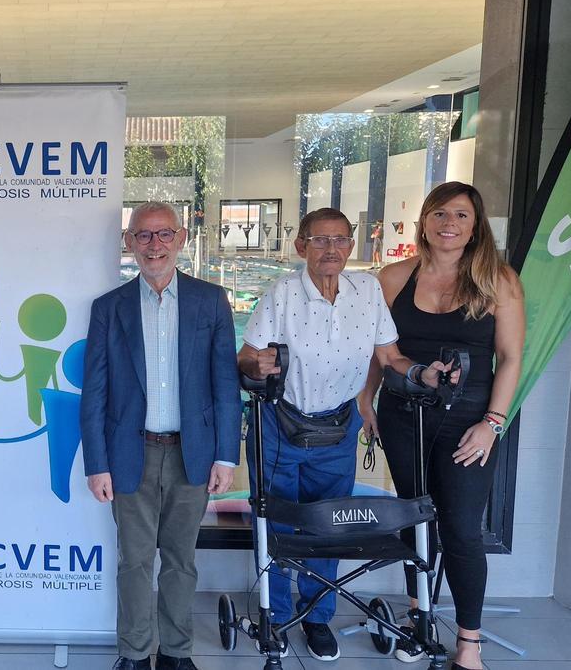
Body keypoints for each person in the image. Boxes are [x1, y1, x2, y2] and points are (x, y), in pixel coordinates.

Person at [238, 207, 452, 662]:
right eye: (319, 240)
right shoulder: (281, 293)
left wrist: (421, 374)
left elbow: (390, 357)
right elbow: (247, 355)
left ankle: (315, 617)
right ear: (301, 246)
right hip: (281, 422)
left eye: (339, 240)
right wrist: (255, 365)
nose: (330, 249)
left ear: (351, 245)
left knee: (329, 527)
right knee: (277, 522)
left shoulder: (368, 290)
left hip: (337, 425)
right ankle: (275, 617)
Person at [361, 182, 524, 670]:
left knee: (460, 527)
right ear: (424, 220)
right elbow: (380, 349)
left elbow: (511, 358)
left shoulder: (499, 280)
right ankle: (419, 619)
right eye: (439, 213)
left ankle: (468, 643)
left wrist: (492, 424)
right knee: (414, 518)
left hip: (470, 422)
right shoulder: (393, 277)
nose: (448, 223)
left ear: (475, 227)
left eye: (460, 215)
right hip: (403, 414)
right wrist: (366, 401)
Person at [81, 201, 240, 670]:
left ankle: (175, 652)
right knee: (133, 562)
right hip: (131, 453)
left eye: (164, 234)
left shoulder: (210, 301)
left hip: (193, 453)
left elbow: (225, 385)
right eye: (144, 236)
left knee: (180, 561)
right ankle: (132, 654)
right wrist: (97, 463)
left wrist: (226, 456)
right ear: (129, 243)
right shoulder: (109, 308)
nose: (155, 245)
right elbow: (95, 392)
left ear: (182, 238)